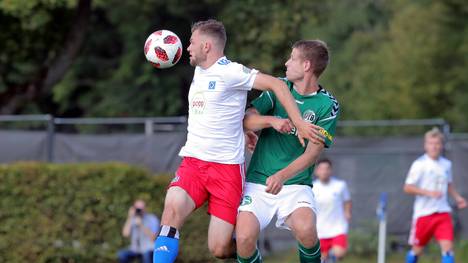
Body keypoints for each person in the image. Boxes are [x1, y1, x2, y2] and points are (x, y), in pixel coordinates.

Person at [152, 20, 323, 263]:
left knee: (220, 248)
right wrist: (245, 129)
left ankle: (250, 255)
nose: (187, 47)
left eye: (192, 42)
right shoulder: (199, 70)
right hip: (193, 164)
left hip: (227, 171)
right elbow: (229, 114)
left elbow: (276, 85)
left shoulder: (230, 71)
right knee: (171, 212)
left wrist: (299, 122)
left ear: (207, 46)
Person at [237, 39, 339, 263]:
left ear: (306, 66)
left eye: (292, 58)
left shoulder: (328, 105)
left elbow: (312, 154)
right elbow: (246, 121)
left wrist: (282, 176)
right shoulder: (278, 89)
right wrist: (272, 121)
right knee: (243, 239)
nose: (286, 63)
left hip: (295, 185)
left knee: (307, 230)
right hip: (258, 181)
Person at [404, 127, 467, 263]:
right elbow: (408, 187)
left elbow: (448, 184)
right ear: (426, 145)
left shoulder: (446, 164)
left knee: (448, 249)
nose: (434, 147)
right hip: (423, 214)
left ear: (441, 145)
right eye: (431, 143)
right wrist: (428, 192)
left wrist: (457, 198)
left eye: (437, 143)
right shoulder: (419, 164)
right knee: (416, 251)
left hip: (442, 212)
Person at [313, 158, 351, 263]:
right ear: (316, 171)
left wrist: (347, 212)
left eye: (327, 168)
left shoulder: (340, 185)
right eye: (321, 169)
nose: (324, 171)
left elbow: (347, 200)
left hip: (338, 228)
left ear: (331, 170)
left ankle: (332, 256)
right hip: (319, 230)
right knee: (321, 259)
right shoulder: (312, 187)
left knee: (339, 253)